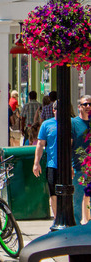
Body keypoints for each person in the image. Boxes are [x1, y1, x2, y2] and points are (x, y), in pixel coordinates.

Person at [33, 111, 58, 218]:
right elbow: (40, 144)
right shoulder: (47, 124)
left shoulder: (71, 123)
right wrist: (36, 163)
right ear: (54, 110)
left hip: (69, 165)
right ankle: (57, 219)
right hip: (52, 164)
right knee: (53, 193)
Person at [72, 95, 91, 225]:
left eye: (90, 104)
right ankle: (77, 228)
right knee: (77, 201)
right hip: (79, 168)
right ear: (79, 107)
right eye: (85, 104)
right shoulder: (74, 123)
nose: (88, 107)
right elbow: (68, 145)